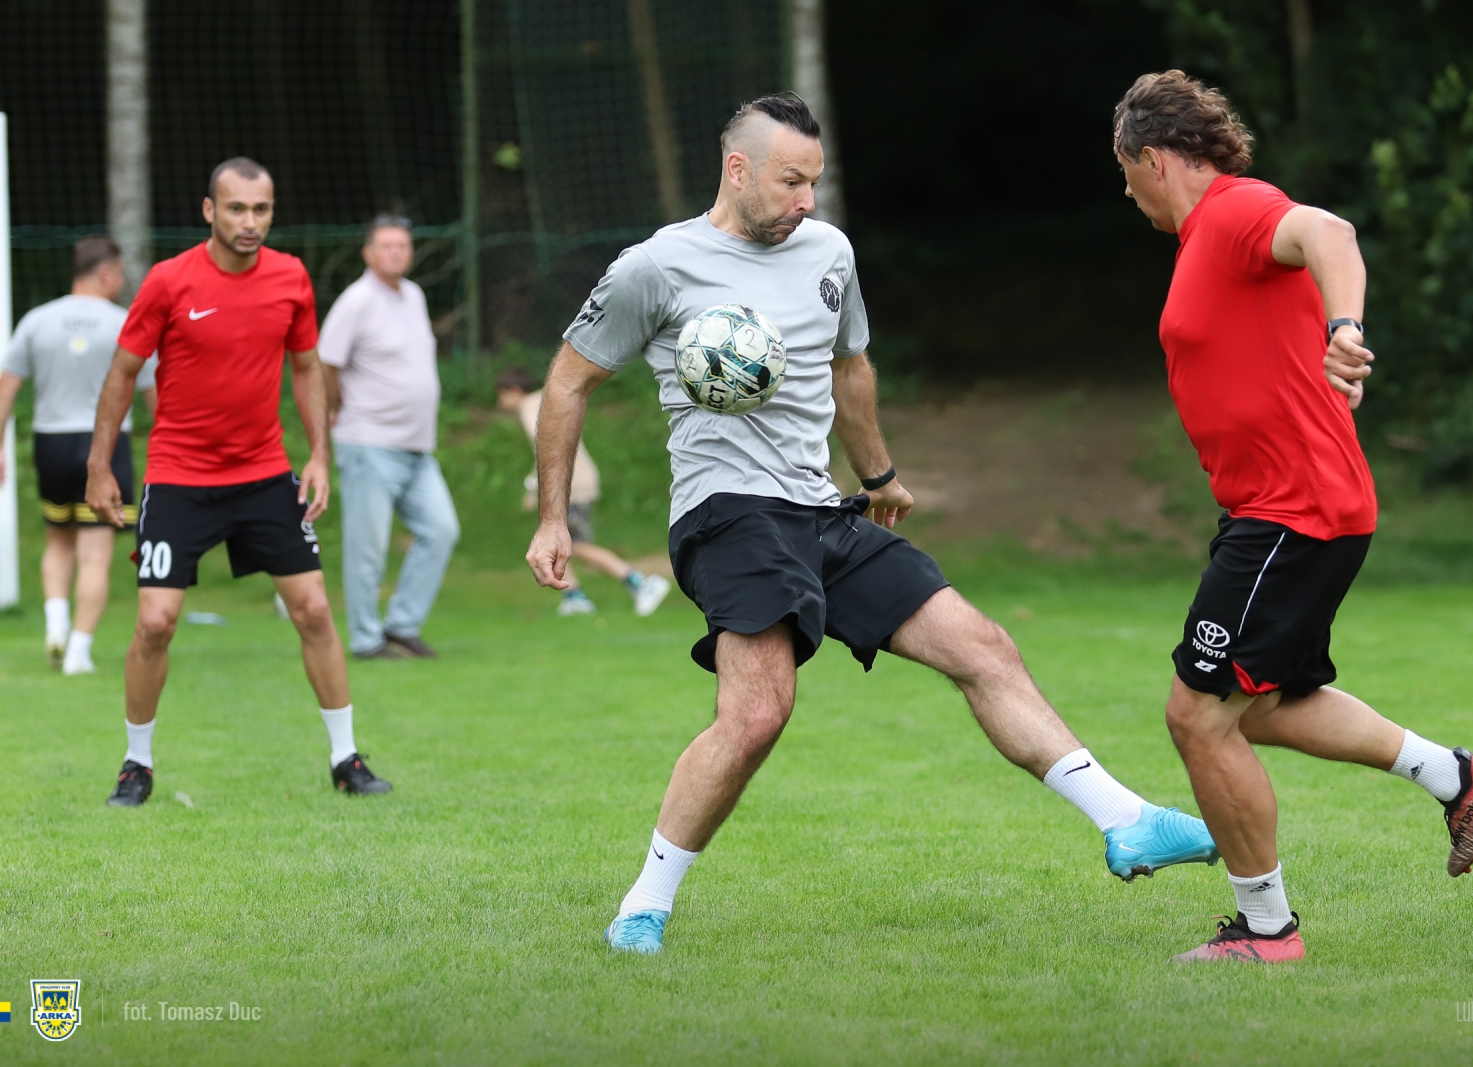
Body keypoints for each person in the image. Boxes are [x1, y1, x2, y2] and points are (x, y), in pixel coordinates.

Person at [526, 92, 1220, 956]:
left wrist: (879, 473)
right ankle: (643, 906)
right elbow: (568, 380)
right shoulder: (656, 267)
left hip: (820, 508)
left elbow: (850, 366)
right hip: (726, 513)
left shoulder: (828, 251)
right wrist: (553, 519)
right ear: (737, 170)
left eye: (813, 182)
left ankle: (1125, 819)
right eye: (790, 181)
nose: (806, 200)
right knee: (757, 714)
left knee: (983, 646)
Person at [1114, 71, 1473, 963]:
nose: (1127, 192)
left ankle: (1267, 931)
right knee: (1260, 707)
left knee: (1197, 715)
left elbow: (1329, 232)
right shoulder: (1207, 241)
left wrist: (1345, 328)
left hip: (1290, 511)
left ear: (1153, 159)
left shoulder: (1234, 210)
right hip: (1288, 507)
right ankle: (1458, 776)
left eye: (1126, 173)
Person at [86, 156, 392, 806]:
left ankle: (346, 758)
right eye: (236, 209)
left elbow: (306, 368)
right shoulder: (169, 282)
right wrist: (99, 465)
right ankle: (136, 764)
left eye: (261, 209)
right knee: (156, 622)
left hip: (263, 475)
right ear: (210, 211)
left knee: (314, 610)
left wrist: (319, 455)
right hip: (178, 476)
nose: (249, 222)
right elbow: (122, 373)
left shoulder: (290, 277)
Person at [0, 236, 156, 674]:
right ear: (105, 273)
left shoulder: (37, 320)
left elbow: (7, 386)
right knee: (95, 553)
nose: (120, 282)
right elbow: (153, 393)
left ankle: (56, 624)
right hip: (104, 444)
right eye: (119, 274)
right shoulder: (124, 323)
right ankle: (79, 651)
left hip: (50, 442)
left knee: (58, 541)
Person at [319, 216, 460, 659]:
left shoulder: (413, 295)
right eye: (386, 245)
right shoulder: (357, 301)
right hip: (369, 442)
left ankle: (401, 624)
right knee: (368, 548)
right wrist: (337, 402)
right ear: (369, 253)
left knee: (441, 530)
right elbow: (326, 360)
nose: (396, 252)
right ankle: (365, 640)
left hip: (417, 447)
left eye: (402, 245)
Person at [495, 366, 670, 617]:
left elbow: (547, 448)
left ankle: (639, 582)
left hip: (570, 482)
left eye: (501, 396)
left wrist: (533, 486)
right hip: (576, 479)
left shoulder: (531, 407)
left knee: (572, 544)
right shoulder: (545, 399)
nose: (500, 403)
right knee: (558, 543)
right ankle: (575, 596)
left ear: (514, 391)